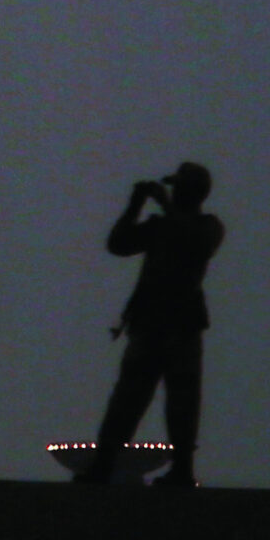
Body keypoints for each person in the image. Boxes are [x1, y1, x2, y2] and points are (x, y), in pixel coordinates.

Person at [76, 161, 225, 488]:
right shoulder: (162, 225)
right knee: (126, 400)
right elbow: (118, 244)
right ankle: (103, 465)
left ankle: (182, 470)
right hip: (150, 326)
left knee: (182, 403)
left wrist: (165, 206)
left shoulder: (208, 226)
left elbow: (195, 242)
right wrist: (133, 208)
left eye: (178, 187)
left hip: (181, 328)